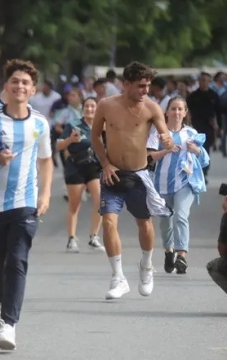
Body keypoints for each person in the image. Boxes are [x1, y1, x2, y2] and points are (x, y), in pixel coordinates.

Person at [0, 59, 53, 350]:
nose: (20, 86)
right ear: (6, 85)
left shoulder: (39, 123)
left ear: (33, 88)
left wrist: (45, 194)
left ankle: (9, 323)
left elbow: (45, 160)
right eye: (15, 81)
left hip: (24, 203)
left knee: (17, 260)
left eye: (25, 82)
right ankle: (2, 304)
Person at [90, 61, 173, 300]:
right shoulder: (106, 105)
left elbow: (163, 131)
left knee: (144, 224)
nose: (145, 90)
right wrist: (105, 163)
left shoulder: (152, 107)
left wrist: (167, 140)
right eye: (140, 86)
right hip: (112, 173)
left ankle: (146, 266)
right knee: (108, 222)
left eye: (147, 86)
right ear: (126, 84)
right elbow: (95, 136)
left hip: (138, 175)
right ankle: (118, 277)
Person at [147, 96, 209, 274]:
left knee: (180, 216)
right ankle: (169, 251)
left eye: (180, 109)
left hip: (185, 182)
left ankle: (181, 255)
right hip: (161, 183)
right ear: (166, 112)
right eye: (173, 109)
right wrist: (166, 150)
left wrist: (195, 150)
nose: (176, 112)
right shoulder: (158, 132)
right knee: (165, 222)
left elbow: (204, 159)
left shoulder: (191, 133)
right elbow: (149, 156)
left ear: (185, 112)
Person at [56, 97, 105, 252]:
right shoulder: (73, 125)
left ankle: (94, 237)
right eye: (87, 106)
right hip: (76, 166)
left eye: (93, 106)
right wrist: (70, 139)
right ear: (83, 109)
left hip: (94, 167)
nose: (90, 109)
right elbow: (58, 145)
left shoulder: (102, 126)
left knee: (100, 202)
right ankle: (71, 238)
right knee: (74, 205)